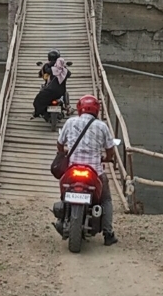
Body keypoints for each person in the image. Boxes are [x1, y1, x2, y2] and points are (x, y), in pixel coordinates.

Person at [56, 95, 118, 246]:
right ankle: (108, 234)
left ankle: (62, 215)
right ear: (96, 110)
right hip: (94, 170)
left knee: (64, 190)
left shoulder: (70, 122)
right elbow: (110, 150)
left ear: (79, 108)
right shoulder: (102, 126)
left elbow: (59, 144)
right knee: (106, 199)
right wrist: (106, 158)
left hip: (73, 169)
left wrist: (64, 152)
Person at [32, 49, 70, 119]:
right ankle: (67, 107)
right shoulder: (63, 68)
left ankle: (38, 113)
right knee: (65, 93)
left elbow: (41, 73)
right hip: (61, 91)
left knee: (38, 99)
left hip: (49, 90)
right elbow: (69, 74)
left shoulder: (47, 67)